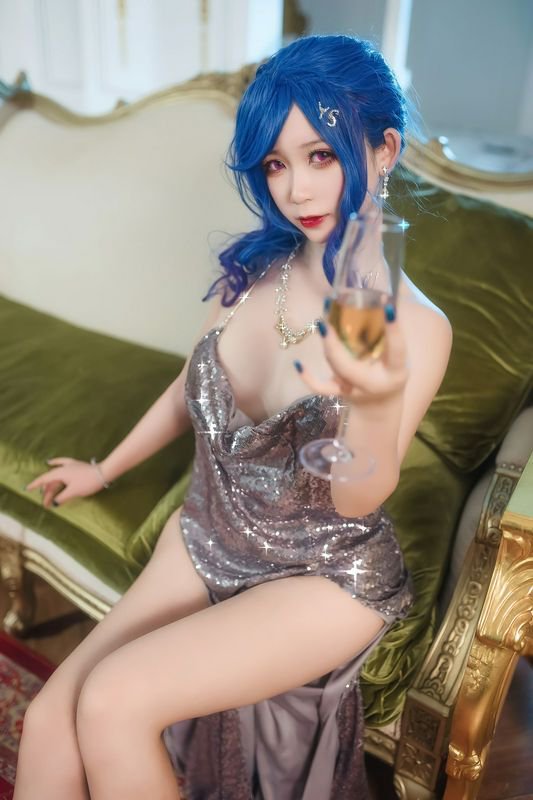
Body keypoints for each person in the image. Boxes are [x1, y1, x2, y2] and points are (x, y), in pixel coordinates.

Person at [15, 33, 452, 800]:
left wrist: (375, 400)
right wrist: (104, 468)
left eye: (320, 155)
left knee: (113, 704)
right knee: (53, 716)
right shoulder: (257, 270)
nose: (297, 190)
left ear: (383, 150)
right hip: (216, 526)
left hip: (324, 570)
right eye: (276, 165)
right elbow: (191, 385)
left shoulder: (415, 327)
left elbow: (357, 497)